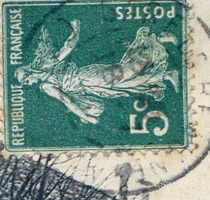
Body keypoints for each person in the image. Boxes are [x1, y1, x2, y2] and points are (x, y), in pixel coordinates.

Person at [16, 21, 179, 126]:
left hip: (87, 76)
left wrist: (76, 31)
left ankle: (157, 41)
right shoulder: (45, 84)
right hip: (89, 86)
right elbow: (69, 99)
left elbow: (67, 50)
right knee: (125, 83)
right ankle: (166, 75)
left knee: (125, 72)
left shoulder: (46, 80)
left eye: (25, 78)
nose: (27, 82)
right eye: (24, 82)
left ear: (29, 71)